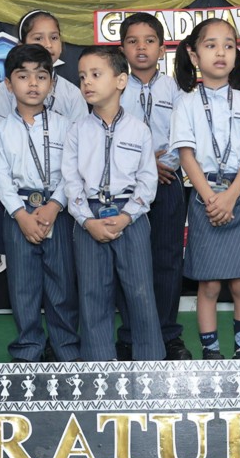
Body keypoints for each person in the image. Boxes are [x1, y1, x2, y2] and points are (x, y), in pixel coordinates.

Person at [171, 18, 240, 360]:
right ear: (193, 55)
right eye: (211, 45)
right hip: (205, 200)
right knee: (209, 283)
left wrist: (230, 197)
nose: (221, 52)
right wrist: (213, 199)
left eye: (229, 45)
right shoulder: (186, 104)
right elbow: (186, 156)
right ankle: (211, 353)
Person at [61, 45, 164, 361]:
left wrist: (127, 215)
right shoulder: (76, 131)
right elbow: (71, 181)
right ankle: (99, 365)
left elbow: (147, 180)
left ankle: (150, 363)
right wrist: (86, 220)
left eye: (96, 74)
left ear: (121, 81)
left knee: (140, 292)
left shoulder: (139, 130)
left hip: (130, 216)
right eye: (82, 77)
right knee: (93, 294)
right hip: (89, 217)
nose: (87, 83)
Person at [0, 44, 79, 362]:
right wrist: (20, 214)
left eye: (41, 76)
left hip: (57, 212)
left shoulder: (66, 127)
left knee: (62, 284)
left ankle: (65, 347)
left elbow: (72, 172)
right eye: (23, 76)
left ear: (51, 84)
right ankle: (28, 348)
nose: (32, 83)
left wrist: (55, 205)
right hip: (18, 214)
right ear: (8, 84)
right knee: (23, 286)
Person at [118, 11, 191, 361]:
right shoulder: (115, 87)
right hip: (127, 187)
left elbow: (184, 136)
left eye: (149, 41)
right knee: (129, 262)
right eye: (133, 41)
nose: (141, 47)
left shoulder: (176, 90)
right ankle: (131, 334)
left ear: (162, 49)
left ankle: (166, 333)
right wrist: (145, 166)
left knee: (167, 260)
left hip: (168, 182)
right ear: (122, 49)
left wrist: (164, 165)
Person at [0, 10, 88, 123]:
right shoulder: (6, 89)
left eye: (54, 38)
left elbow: (80, 132)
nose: (48, 44)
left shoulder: (72, 94)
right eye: (38, 38)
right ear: (21, 46)